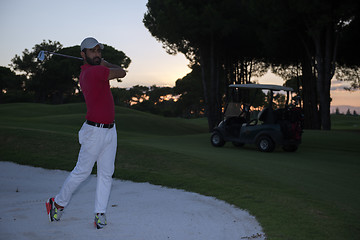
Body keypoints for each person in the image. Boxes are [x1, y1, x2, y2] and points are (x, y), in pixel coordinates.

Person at [46, 37, 126, 229]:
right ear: (83, 55)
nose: (97, 54)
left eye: (99, 51)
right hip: (94, 132)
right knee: (82, 172)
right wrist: (106, 64)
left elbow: (117, 72)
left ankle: (100, 213)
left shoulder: (94, 70)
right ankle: (57, 203)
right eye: (92, 51)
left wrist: (105, 64)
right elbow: (122, 71)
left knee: (107, 174)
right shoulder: (93, 72)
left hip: (109, 130)